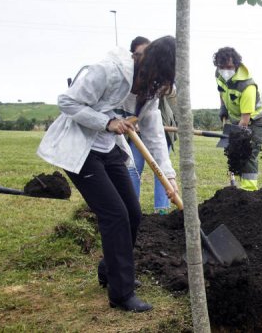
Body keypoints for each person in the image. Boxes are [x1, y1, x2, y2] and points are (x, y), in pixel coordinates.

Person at [37, 36, 179, 312]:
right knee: (115, 215)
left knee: (133, 214)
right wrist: (107, 122)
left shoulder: (151, 90)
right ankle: (121, 295)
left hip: (108, 149)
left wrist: (169, 175)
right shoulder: (108, 71)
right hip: (80, 148)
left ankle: (112, 272)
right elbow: (67, 102)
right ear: (151, 65)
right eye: (160, 78)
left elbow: (153, 131)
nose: (160, 85)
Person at [126, 36, 178, 215]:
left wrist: (169, 175)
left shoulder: (157, 88)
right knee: (132, 169)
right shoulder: (123, 77)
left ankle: (162, 211)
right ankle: (132, 210)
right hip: (124, 135)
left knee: (161, 174)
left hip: (155, 129)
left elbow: (155, 134)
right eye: (137, 55)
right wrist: (110, 123)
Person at [213, 47, 262, 191]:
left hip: (255, 120)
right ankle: (240, 187)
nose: (225, 70)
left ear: (236, 65)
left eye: (229, 67)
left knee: (248, 152)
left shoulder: (247, 86)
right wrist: (223, 108)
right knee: (235, 151)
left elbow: (245, 119)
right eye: (221, 66)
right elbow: (222, 91)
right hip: (237, 117)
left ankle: (249, 191)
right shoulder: (219, 75)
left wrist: (235, 141)